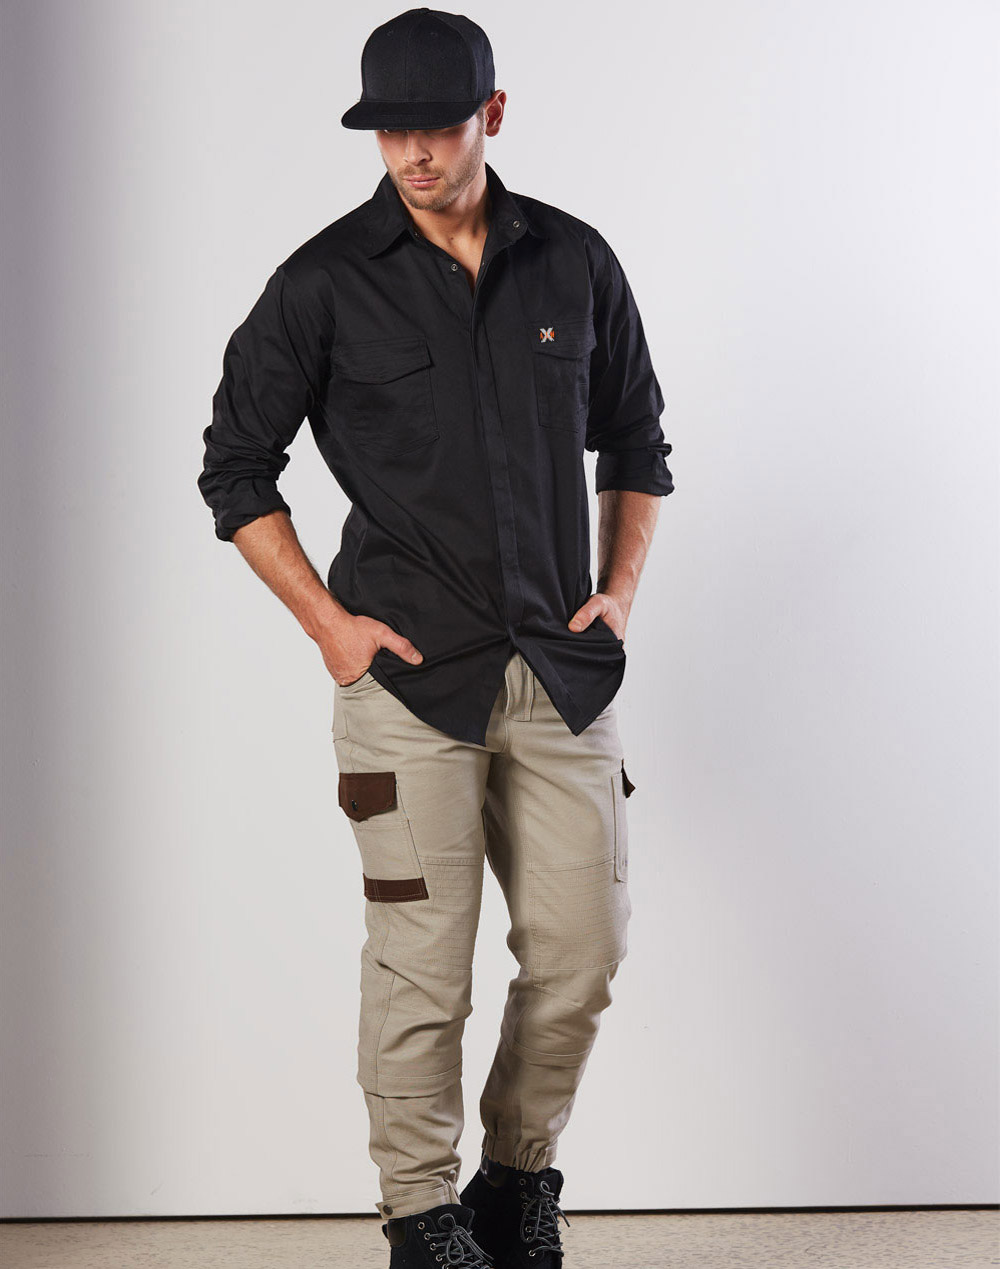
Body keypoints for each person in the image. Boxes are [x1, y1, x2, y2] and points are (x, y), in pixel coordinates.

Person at [198, 8, 674, 1266]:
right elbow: (235, 469)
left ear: (492, 116)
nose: (414, 153)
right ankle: (421, 1216)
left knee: (584, 951)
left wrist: (618, 593)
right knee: (423, 969)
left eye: (439, 127)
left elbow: (637, 442)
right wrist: (329, 627)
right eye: (389, 131)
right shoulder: (320, 283)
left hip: (560, 674)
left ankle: (515, 1184)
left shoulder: (573, 261)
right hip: (405, 684)